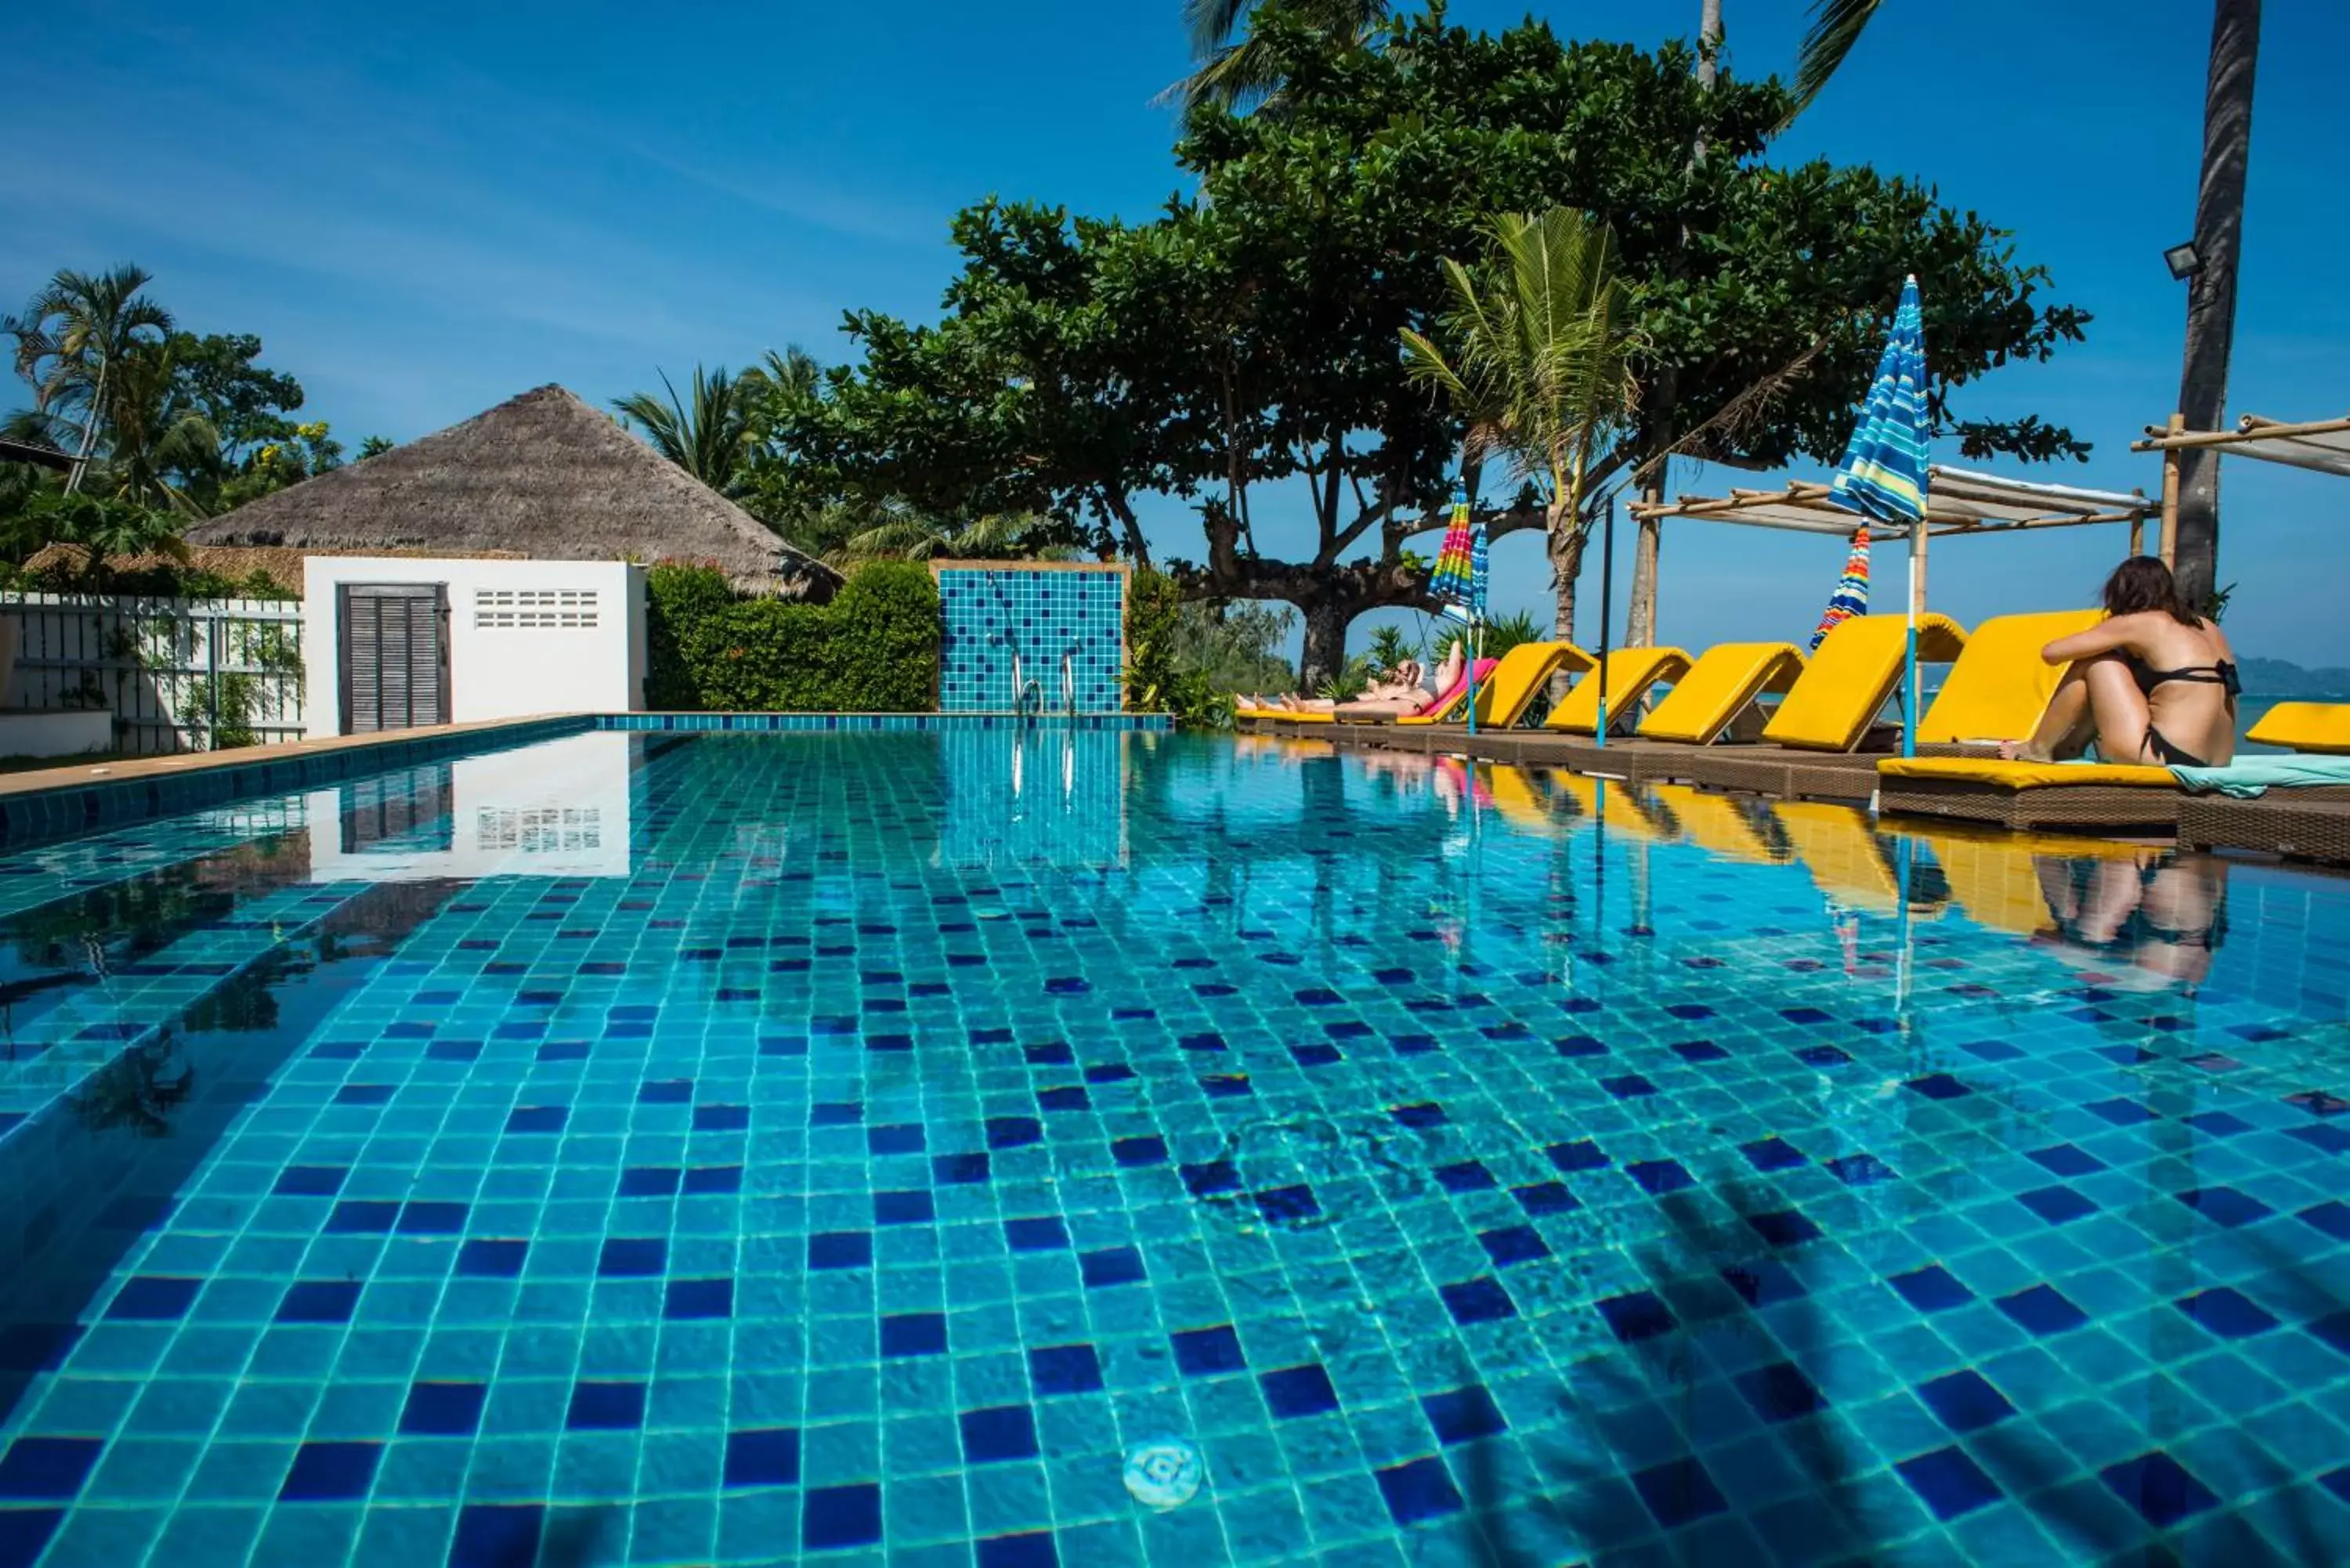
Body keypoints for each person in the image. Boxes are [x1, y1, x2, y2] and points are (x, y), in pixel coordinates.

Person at [1998, 557, 2239, 768]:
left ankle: (2038, 748)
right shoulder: (2208, 627)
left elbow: (2051, 653)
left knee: (2096, 661)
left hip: (2165, 755)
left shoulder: (2141, 621)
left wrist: (2110, 634)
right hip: (2219, 759)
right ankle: (2069, 746)